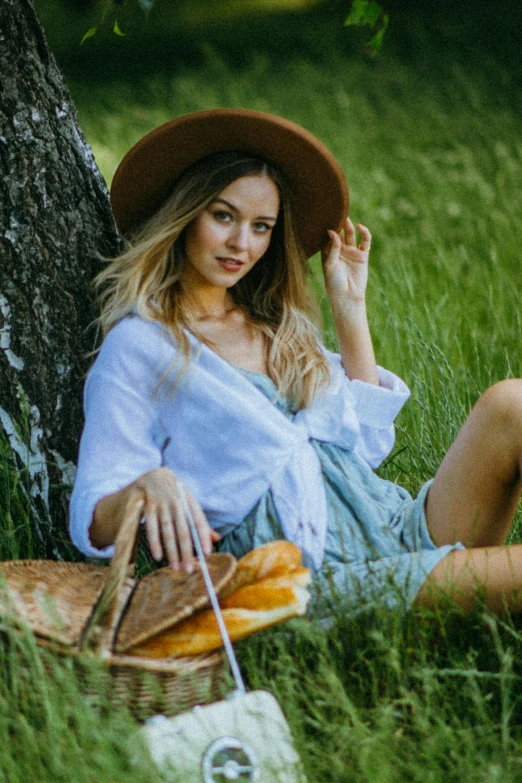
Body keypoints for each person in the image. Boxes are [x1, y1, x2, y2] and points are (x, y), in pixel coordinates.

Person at [70, 108, 522, 615]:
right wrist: (146, 486)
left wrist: (350, 311)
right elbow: (92, 520)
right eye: (223, 216)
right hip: (313, 582)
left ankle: (462, 600)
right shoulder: (142, 347)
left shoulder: (274, 326)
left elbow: (364, 446)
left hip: (396, 527)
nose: (243, 244)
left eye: (261, 227)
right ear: (185, 216)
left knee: (513, 404)